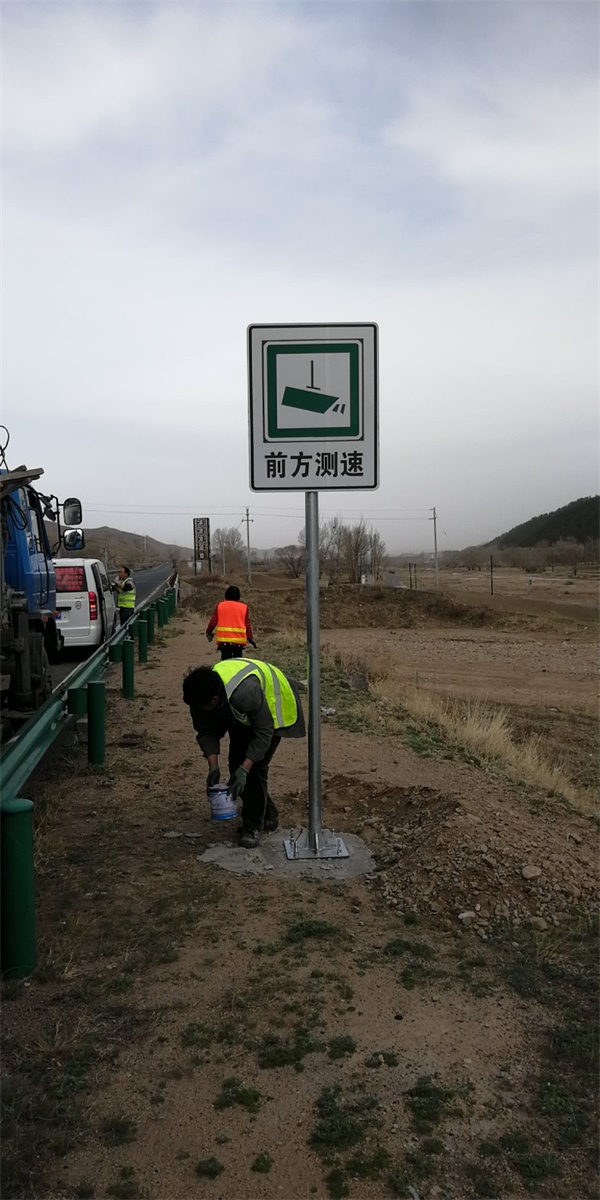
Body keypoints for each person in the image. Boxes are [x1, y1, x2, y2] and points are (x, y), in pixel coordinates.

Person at [183, 657, 305, 848]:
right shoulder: (198, 697)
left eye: (202, 708)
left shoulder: (244, 693)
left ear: (214, 700)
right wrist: (213, 767)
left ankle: (252, 826)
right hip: (242, 715)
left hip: (275, 707)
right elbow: (206, 732)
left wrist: (245, 768)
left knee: (254, 769)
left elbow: (264, 732)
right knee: (236, 765)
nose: (198, 711)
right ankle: (268, 814)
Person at [206, 585, 256, 660]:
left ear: (226, 595)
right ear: (238, 596)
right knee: (237, 663)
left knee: (226, 663)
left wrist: (208, 632)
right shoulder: (243, 607)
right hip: (238, 642)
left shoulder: (220, 606)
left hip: (224, 642)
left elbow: (213, 622)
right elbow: (247, 625)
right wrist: (250, 638)